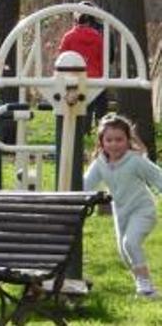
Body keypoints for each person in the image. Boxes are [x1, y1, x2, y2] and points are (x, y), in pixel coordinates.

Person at [83, 114, 162, 298]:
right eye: (109, 140)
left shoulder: (135, 161)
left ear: (128, 140)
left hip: (143, 210)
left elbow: (158, 177)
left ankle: (146, 288)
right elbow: (86, 184)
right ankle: (145, 287)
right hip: (121, 212)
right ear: (101, 142)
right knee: (124, 252)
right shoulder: (100, 163)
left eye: (119, 139)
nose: (114, 144)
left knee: (131, 242)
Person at [59, 1, 108, 125]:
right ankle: (98, 129)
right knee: (95, 105)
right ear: (88, 21)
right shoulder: (97, 36)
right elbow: (102, 57)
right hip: (95, 75)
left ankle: (82, 130)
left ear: (75, 20)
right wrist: (103, 75)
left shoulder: (68, 36)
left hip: (74, 77)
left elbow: (62, 57)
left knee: (80, 106)